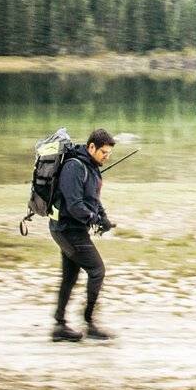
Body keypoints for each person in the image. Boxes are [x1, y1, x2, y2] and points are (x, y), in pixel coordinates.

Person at [49, 127, 117, 342]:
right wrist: (95, 220)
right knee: (97, 270)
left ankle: (59, 326)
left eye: (109, 154)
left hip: (73, 229)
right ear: (91, 147)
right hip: (66, 230)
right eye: (103, 152)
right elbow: (76, 205)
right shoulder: (74, 167)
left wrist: (103, 217)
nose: (106, 157)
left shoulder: (91, 166)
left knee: (70, 277)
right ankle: (89, 323)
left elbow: (92, 199)